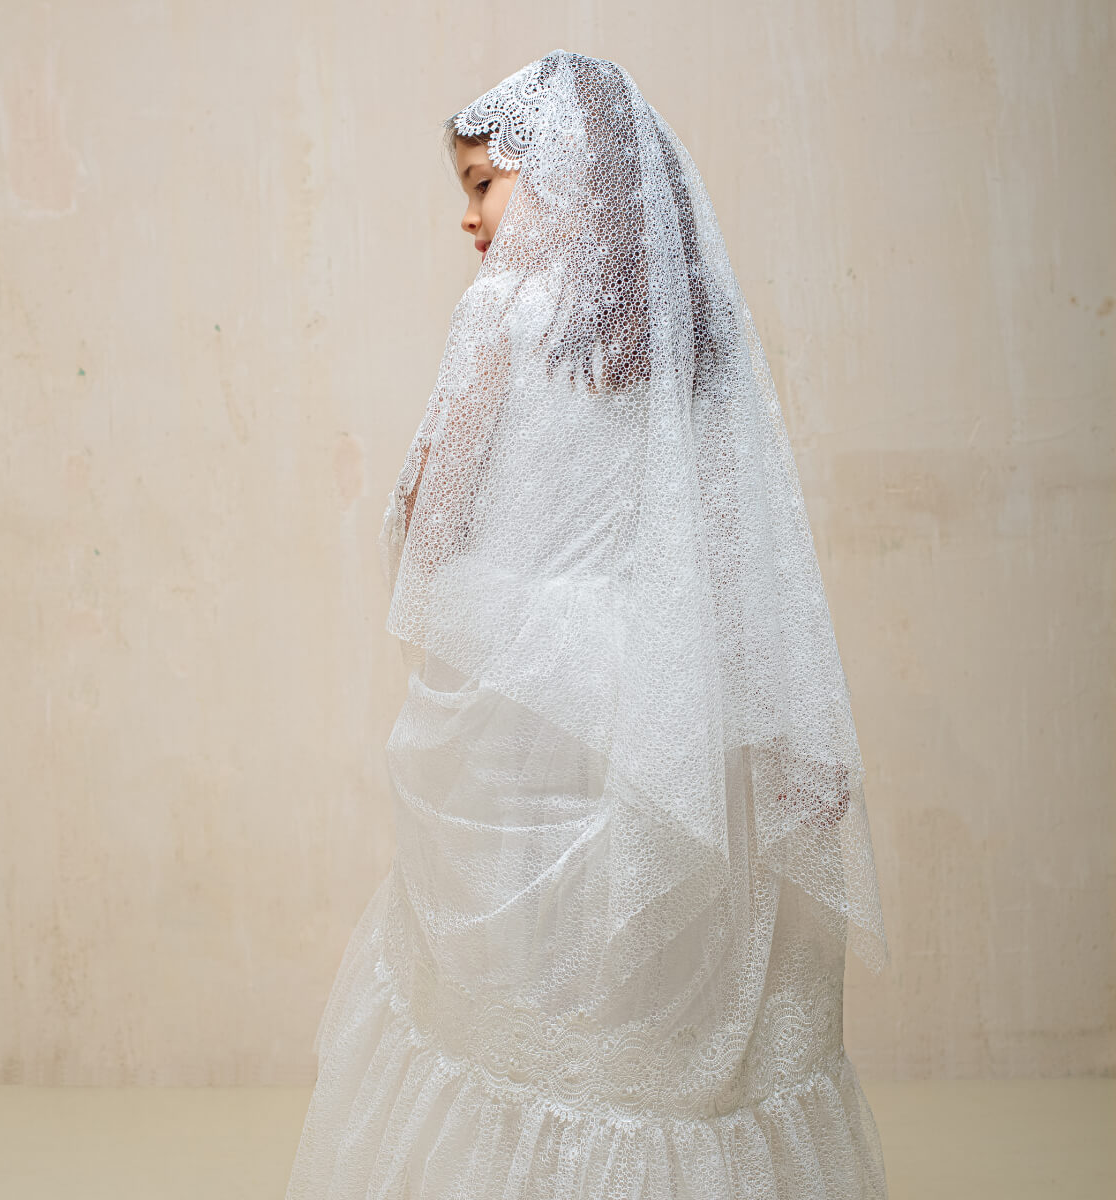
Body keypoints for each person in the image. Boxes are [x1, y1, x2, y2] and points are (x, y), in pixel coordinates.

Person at [285, 49, 891, 1198]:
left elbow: (439, 524)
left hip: (528, 715)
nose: (466, 217)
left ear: (559, 178)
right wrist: (791, 734)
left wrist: (411, 505)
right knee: (656, 1006)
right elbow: (743, 553)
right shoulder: (697, 340)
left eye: (483, 182)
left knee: (531, 988)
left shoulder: (501, 314)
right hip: (678, 697)